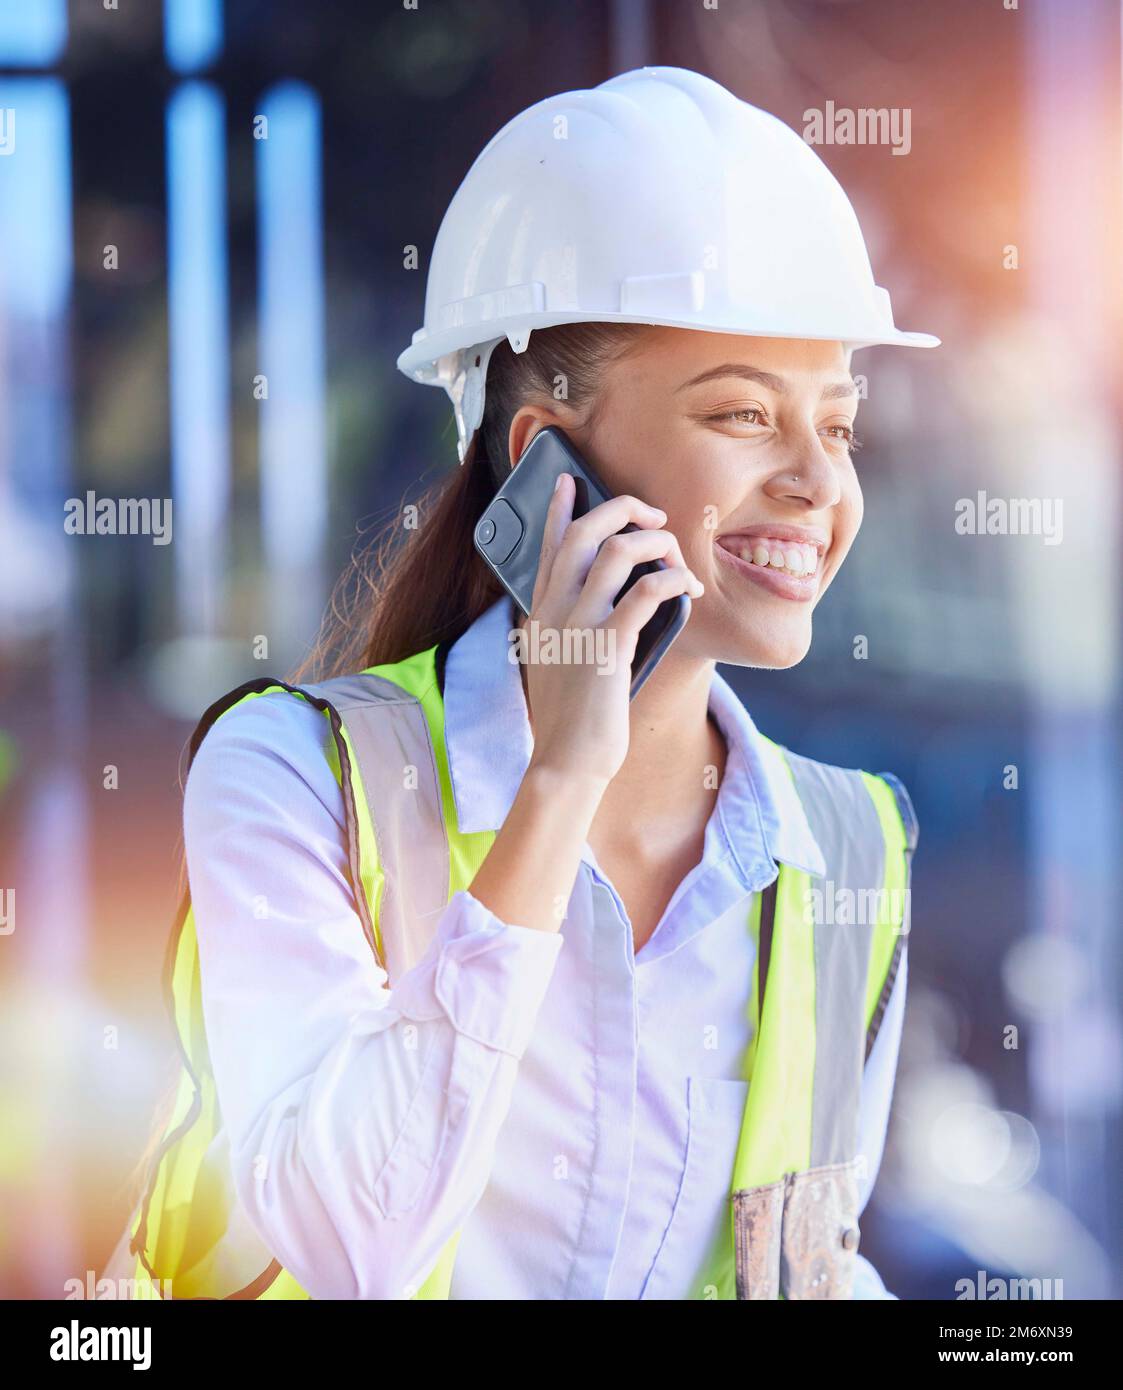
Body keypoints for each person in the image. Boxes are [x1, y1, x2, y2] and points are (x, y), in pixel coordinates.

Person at [119, 66, 934, 1301]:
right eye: (743, 416)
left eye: (838, 424)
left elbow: (814, 1267)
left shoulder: (848, 849)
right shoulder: (292, 777)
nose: (820, 484)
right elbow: (347, 1240)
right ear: (543, 466)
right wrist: (560, 781)